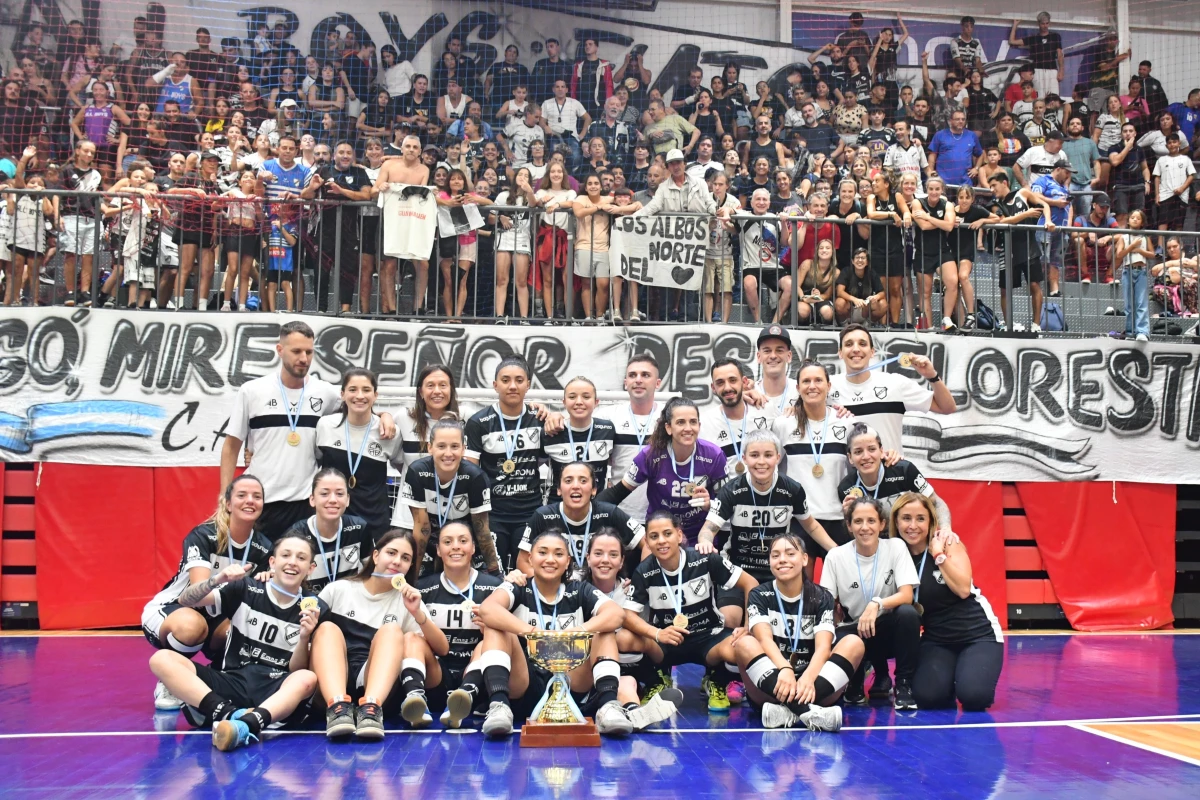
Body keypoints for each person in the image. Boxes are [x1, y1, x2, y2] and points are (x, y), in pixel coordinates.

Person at [148, 531, 324, 751]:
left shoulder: (315, 607)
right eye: (286, 555)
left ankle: (246, 724)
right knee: (162, 659)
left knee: (306, 677)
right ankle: (232, 715)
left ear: (311, 568)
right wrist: (216, 580)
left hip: (274, 688)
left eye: (301, 558)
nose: (292, 563)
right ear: (272, 561)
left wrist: (305, 637)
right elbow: (186, 600)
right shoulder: (245, 588)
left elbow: (297, 669)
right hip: (231, 680)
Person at [220, 321, 396, 542]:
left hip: (305, 503)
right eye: (296, 351)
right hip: (263, 501)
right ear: (280, 350)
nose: (303, 358)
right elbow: (231, 447)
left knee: (303, 572)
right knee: (258, 570)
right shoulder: (252, 391)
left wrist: (384, 416)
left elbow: (358, 408)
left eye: (309, 352)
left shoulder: (326, 392)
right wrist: (225, 495)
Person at [475, 528, 632, 737]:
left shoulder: (579, 589)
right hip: (526, 682)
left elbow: (616, 614)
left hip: (571, 681)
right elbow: (488, 610)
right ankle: (499, 707)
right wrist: (531, 632)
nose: (550, 559)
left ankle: (608, 706)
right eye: (543, 552)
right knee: (496, 628)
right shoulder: (519, 586)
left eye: (558, 554)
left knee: (604, 631)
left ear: (568, 561)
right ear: (530, 558)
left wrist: (579, 630)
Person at [142, 474, 272, 711]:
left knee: (245, 629)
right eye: (241, 495)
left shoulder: (263, 547)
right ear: (228, 503)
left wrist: (266, 582)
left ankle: (217, 679)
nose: (250, 501)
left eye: (257, 496)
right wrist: (220, 578)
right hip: (174, 609)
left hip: (216, 616)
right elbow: (194, 595)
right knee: (193, 626)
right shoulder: (204, 535)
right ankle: (169, 679)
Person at [310, 529, 447, 737]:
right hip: (332, 683)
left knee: (392, 631)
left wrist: (417, 612)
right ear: (375, 556)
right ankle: (337, 708)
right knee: (327, 628)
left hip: (376, 686)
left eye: (405, 558)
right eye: (391, 553)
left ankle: (371, 710)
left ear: (410, 566)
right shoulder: (338, 590)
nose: (397, 561)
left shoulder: (407, 600)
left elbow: (442, 649)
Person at [620, 511, 758, 712]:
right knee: (623, 638)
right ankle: (655, 680)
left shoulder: (704, 559)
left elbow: (751, 583)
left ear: (679, 535)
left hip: (708, 638)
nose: (661, 541)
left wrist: (747, 627)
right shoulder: (644, 570)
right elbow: (627, 616)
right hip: (666, 641)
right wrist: (657, 633)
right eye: (654, 536)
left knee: (743, 646)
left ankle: (717, 679)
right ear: (647, 543)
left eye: (667, 533)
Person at [735, 533, 863, 730]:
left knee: (854, 642)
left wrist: (808, 677)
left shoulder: (822, 597)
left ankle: (786, 713)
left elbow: (823, 647)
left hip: (812, 686)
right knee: (744, 643)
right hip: (772, 684)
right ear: (769, 562)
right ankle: (809, 714)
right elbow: (764, 639)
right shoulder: (759, 595)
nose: (782, 560)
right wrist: (785, 669)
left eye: (790, 553)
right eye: (775, 555)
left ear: (804, 559)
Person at [892, 493, 1004, 711]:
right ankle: (950, 678)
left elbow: (963, 589)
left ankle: (966, 676)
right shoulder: (894, 556)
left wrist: (938, 555)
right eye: (906, 518)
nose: (912, 526)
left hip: (978, 634)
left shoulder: (948, 543)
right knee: (927, 698)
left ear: (931, 522)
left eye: (920, 519)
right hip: (937, 639)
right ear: (896, 522)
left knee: (974, 698)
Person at [699, 427, 828, 617]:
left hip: (777, 568)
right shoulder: (731, 490)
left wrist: (835, 549)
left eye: (768, 455)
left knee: (780, 620)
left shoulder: (792, 489)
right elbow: (708, 529)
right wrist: (705, 542)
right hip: (738, 569)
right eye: (754, 455)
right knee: (730, 619)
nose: (761, 462)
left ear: (777, 457)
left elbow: (811, 525)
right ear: (744, 458)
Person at [819, 496, 920, 708]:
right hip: (855, 633)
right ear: (849, 526)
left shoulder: (895, 547)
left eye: (871, 521)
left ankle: (903, 683)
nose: (865, 528)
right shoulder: (836, 557)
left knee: (908, 614)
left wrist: (876, 604)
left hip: (886, 630)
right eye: (858, 521)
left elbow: (907, 595)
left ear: (882, 524)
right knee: (835, 636)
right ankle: (855, 675)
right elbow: (825, 604)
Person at [578, 529, 683, 729]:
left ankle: (635, 713)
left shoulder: (631, 592)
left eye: (613, 555)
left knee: (626, 682)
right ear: (588, 557)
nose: (605, 560)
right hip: (580, 671)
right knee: (608, 634)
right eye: (598, 554)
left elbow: (652, 646)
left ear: (622, 561)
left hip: (622, 670)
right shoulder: (573, 587)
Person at [465, 356, 554, 571]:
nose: (512, 386)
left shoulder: (539, 419)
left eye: (519, 380)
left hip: (529, 512)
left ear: (528, 385)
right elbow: (470, 472)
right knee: (492, 572)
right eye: (505, 380)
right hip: (492, 513)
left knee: (530, 573)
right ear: (495, 385)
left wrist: (555, 415)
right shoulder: (479, 422)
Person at [413, 522, 505, 728]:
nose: (456, 546)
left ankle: (465, 696)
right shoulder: (423, 588)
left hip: (480, 678)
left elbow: (508, 641)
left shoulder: (494, 587)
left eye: (463, 541)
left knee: (490, 640)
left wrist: (488, 628)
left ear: (473, 548)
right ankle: (415, 698)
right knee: (411, 639)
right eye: (447, 542)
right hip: (437, 674)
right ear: (438, 550)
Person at [598, 397, 727, 544]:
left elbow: (725, 505)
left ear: (699, 425)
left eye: (693, 422)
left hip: (698, 539)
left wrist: (709, 504)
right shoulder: (651, 455)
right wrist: (586, 509)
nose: (688, 428)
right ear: (668, 428)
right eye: (680, 422)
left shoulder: (714, 455)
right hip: (660, 537)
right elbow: (617, 492)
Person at [829, 324, 956, 454]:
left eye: (862, 344)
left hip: (890, 472)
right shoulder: (827, 387)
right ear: (840, 353)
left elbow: (947, 407)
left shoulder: (895, 383)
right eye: (849, 344)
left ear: (872, 352)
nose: (856, 349)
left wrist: (932, 376)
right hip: (844, 474)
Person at [313, 370, 404, 541]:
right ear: (342, 394)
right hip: (333, 517)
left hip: (374, 520)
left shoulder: (389, 432)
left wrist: (386, 415)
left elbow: (403, 469)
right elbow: (316, 461)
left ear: (375, 395)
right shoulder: (326, 426)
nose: (359, 396)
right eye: (353, 389)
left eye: (366, 390)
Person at [398, 418, 498, 575]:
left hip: (466, 545)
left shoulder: (475, 477)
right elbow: (422, 528)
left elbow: (481, 529)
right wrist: (413, 574)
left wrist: (494, 571)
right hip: (432, 546)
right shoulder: (416, 473)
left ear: (464, 449)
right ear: (430, 448)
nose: (448, 453)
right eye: (441, 446)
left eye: (455, 446)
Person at [517, 461, 646, 578]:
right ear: (559, 490)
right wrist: (546, 585)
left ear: (594, 489)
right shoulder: (542, 516)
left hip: (600, 591)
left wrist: (640, 581)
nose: (575, 486)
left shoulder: (609, 513)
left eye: (583, 481)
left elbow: (648, 543)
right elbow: (523, 562)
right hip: (559, 591)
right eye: (568, 481)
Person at [986, 171, 1054, 332]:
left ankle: (1036, 325)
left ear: (1004, 183)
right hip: (1007, 250)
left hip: (1029, 247)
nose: (992, 189)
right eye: (990, 187)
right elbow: (1002, 221)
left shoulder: (1022, 193)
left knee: (1034, 284)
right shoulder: (995, 204)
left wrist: (1049, 220)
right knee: (1005, 289)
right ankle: (1009, 324)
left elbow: (1044, 205)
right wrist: (1026, 214)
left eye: (994, 185)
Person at [605, 354, 663, 524]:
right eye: (632, 375)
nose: (638, 380)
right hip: (619, 513)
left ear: (657, 383)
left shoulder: (670, 417)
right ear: (625, 383)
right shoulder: (608, 417)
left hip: (659, 516)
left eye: (645, 375)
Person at [700, 359, 778, 485]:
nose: (727, 387)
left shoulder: (766, 409)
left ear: (744, 382)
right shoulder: (704, 424)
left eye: (733, 380)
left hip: (768, 500)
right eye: (720, 383)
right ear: (713, 388)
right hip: (728, 501)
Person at [909, 176, 959, 332]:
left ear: (942, 190)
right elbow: (923, 226)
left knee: (952, 282)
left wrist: (928, 217)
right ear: (926, 190)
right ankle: (929, 327)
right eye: (931, 189)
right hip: (922, 252)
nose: (934, 192)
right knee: (926, 292)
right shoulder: (918, 202)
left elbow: (949, 226)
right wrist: (940, 222)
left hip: (942, 250)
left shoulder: (947, 204)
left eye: (937, 189)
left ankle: (946, 319)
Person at [945, 185, 996, 328]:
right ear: (957, 199)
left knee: (963, 276)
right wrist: (949, 224)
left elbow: (997, 218)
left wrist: (982, 221)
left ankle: (971, 314)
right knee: (953, 285)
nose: (964, 201)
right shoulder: (951, 211)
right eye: (961, 197)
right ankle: (961, 323)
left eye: (967, 197)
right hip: (950, 251)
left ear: (972, 199)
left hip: (966, 251)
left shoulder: (977, 210)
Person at [865, 170, 909, 326]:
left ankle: (895, 324)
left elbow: (906, 213)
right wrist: (891, 214)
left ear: (886, 184)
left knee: (896, 289)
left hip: (895, 249)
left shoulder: (896, 197)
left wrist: (906, 216)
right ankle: (883, 324)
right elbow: (871, 214)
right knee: (881, 290)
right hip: (877, 250)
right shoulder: (872, 198)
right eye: (873, 181)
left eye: (877, 181)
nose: (873, 184)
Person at [1113, 209, 1154, 342]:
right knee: (1129, 304)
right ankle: (1130, 331)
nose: (1135, 220)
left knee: (1141, 302)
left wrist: (1141, 250)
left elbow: (1152, 254)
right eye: (1132, 217)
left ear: (1142, 222)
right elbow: (1119, 255)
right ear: (1128, 221)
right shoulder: (1123, 237)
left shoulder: (1145, 237)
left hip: (1141, 271)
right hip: (1127, 271)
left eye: (1138, 218)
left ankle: (1142, 331)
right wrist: (1132, 246)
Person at [1009, 12, 1064, 97]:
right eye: (1043, 23)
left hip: (1052, 70)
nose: (1045, 26)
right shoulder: (1033, 38)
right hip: (1037, 70)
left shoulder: (1055, 36)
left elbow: (1060, 54)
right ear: (1038, 23)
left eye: (1047, 23)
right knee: (1039, 97)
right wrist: (1015, 25)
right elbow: (1012, 41)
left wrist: (1061, 70)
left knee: (1054, 97)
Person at [1107, 122, 1150, 228]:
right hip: (1121, 186)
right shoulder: (1114, 148)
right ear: (1121, 134)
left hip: (1138, 185)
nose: (1128, 133)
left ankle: (1137, 243)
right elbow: (1115, 162)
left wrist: (1147, 182)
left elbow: (1145, 168)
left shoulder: (1139, 149)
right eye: (1125, 131)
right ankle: (1121, 243)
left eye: (1131, 131)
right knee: (1122, 215)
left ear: (1135, 133)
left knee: (1138, 216)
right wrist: (1127, 147)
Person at [927, 110, 982, 191]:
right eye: (957, 119)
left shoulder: (972, 135)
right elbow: (932, 154)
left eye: (963, 119)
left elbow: (981, 154)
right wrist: (930, 171)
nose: (961, 121)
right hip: (943, 183)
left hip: (965, 184)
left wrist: (976, 168)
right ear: (950, 121)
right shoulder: (940, 134)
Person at [835, 247, 887, 324]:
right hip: (849, 308)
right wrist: (854, 299)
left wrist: (875, 297)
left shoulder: (872, 273)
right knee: (839, 301)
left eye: (863, 258)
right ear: (852, 261)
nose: (860, 260)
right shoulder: (846, 271)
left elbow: (882, 292)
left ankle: (868, 323)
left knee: (883, 303)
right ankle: (844, 324)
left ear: (867, 262)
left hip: (865, 309)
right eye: (857, 258)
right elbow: (839, 291)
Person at [571, 38, 614, 118]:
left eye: (590, 44)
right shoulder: (579, 65)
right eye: (586, 45)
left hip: (598, 105)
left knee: (596, 128)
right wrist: (573, 103)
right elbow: (573, 86)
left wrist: (608, 104)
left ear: (596, 47)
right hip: (581, 105)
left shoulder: (604, 65)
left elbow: (609, 86)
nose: (587, 47)